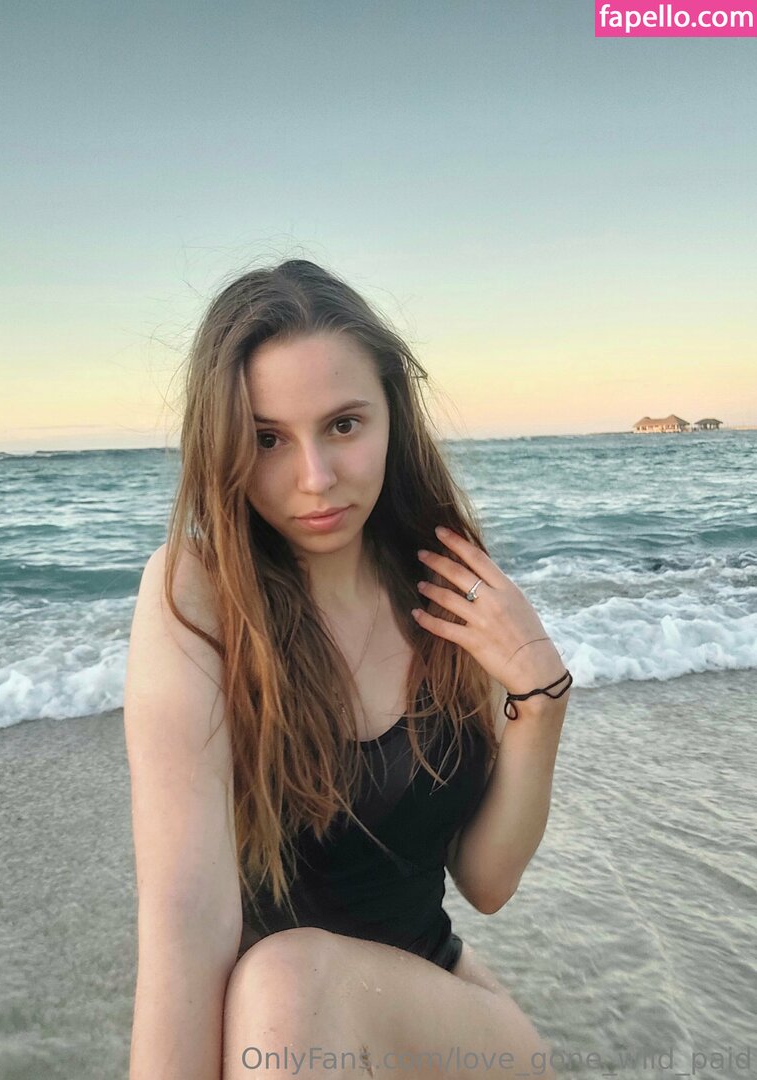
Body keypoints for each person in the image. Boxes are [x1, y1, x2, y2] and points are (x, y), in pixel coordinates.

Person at [123, 258, 572, 1080]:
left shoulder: (445, 589)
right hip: (281, 1042)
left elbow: (485, 881)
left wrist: (539, 703)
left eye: (343, 425)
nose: (316, 480)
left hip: (440, 1024)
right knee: (277, 984)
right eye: (267, 439)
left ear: (393, 413)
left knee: (285, 980)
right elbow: (183, 918)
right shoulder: (199, 596)